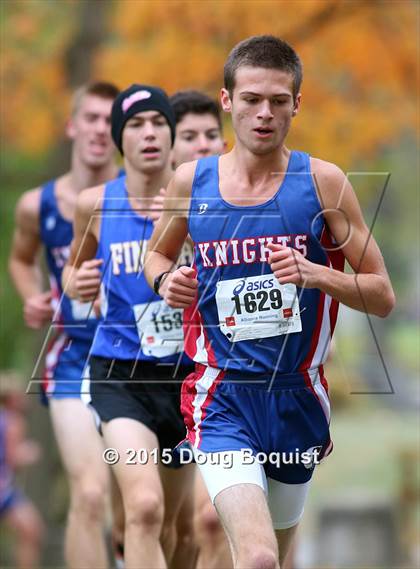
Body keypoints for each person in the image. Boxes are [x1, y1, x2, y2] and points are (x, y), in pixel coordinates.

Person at [145, 35, 395, 569]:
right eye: (252, 99)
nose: (265, 114)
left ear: (296, 105)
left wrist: (317, 275)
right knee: (257, 557)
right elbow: (156, 258)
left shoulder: (323, 183)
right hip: (222, 396)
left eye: (279, 101)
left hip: (297, 399)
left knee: (271, 557)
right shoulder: (191, 181)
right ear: (227, 100)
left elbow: (382, 294)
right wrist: (167, 280)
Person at [62, 84, 196, 569]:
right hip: (120, 373)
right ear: (121, 138)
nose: (149, 134)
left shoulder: (198, 195)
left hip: (188, 375)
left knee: (179, 531)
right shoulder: (94, 203)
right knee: (143, 509)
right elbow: (74, 269)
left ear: (171, 131)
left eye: (158, 122)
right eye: (136, 125)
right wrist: (77, 283)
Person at [9, 81, 121, 568]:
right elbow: (19, 259)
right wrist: (33, 295)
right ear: (72, 125)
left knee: (132, 507)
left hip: (137, 360)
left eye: (108, 120)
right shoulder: (38, 205)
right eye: (90, 118)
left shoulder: (141, 201)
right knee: (90, 493)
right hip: (74, 358)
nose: (99, 129)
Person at [169, 89, 232, 569]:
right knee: (172, 527)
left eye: (211, 134)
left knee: (212, 521)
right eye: (188, 137)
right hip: (150, 375)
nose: (202, 145)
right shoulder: (148, 211)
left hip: (218, 379)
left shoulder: (240, 204)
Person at [0, 378, 45, 569]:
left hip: (7, 490)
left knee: (30, 530)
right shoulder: (13, 421)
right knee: (32, 531)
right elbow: (13, 458)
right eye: (20, 396)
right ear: (10, 399)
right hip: (3, 490)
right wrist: (30, 452)